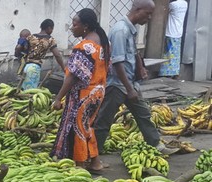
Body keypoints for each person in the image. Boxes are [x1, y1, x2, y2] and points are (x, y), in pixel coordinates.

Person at [94, 0, 163, 156]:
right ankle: (93, 155)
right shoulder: (120, 30)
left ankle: (156, 144)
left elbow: (133, 53)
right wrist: (129, 89)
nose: (150, 17)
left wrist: (140, 68)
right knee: (104, 120)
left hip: (129, 82)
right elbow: (117, 62)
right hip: (117, 84)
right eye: (148, 13)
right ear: (138, 10)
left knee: (143, 114)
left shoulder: (130, 30)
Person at [50, 9, 110, 172]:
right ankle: (95, 162)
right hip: (97, 92)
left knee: (78, 128)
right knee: (87, 126)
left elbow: (73, 76)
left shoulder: (84, 47)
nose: (71, 27)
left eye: (75, 24)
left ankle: (80, 165)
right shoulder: (102, 43)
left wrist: (58, 98)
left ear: (85, 26)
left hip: (83, 94)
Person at [20, 19, 66, 90]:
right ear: (49, 28)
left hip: (26, 66)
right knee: (30, 92)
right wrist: (64, 68)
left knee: (23, 90)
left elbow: (22, 48)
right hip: (34, 68)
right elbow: (57, 55)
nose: (52, 31)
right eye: (52, 29)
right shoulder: (50, 39)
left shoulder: (31, 37)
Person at [159, 0, 188, 79]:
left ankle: (166, 72)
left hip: (170, 31)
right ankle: (175, 72)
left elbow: (163, 11)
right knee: (175, 54)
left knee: (168, 53)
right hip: (178, 32)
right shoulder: (185, 3)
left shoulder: (173, 5)